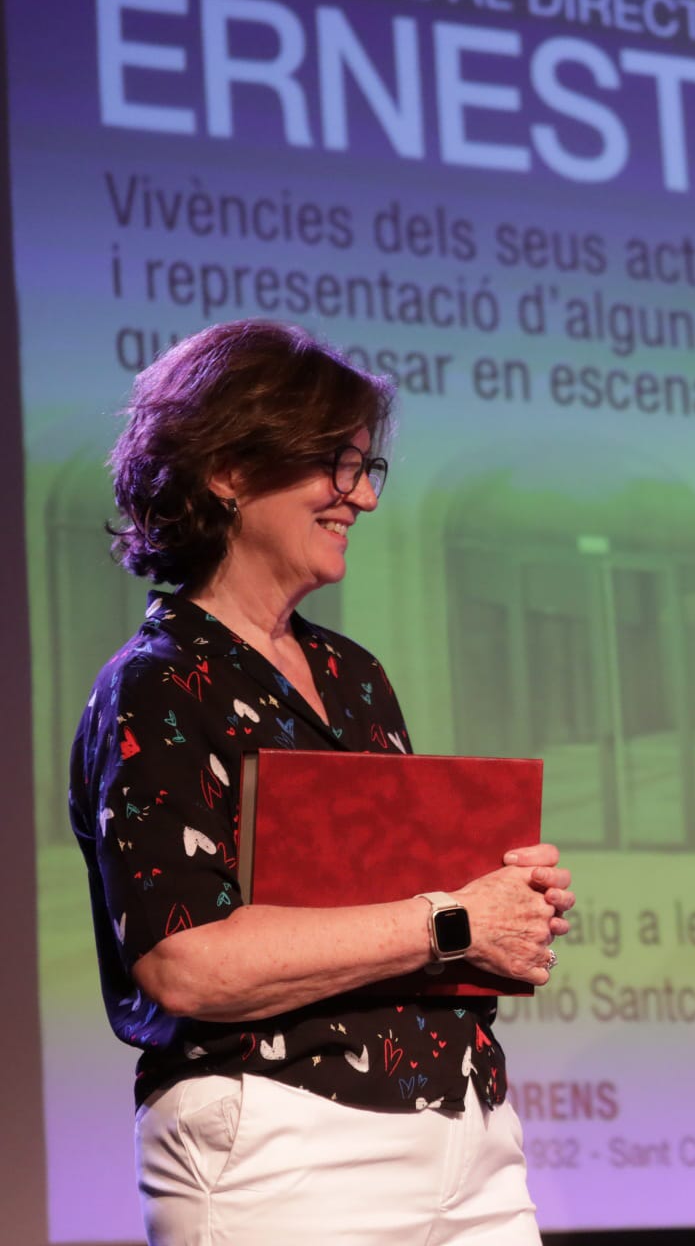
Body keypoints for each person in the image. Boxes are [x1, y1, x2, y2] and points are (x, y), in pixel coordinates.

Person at [70, 319, 575, 1242]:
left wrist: (504, 910)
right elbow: (184, 963)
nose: (361, 498)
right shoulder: (157, 684)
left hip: (466, 1132)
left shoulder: (355, 676)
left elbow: (384, 912)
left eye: (364, 468)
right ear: (227, 471)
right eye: (334, 467)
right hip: (282, 1144)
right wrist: (454, 918)